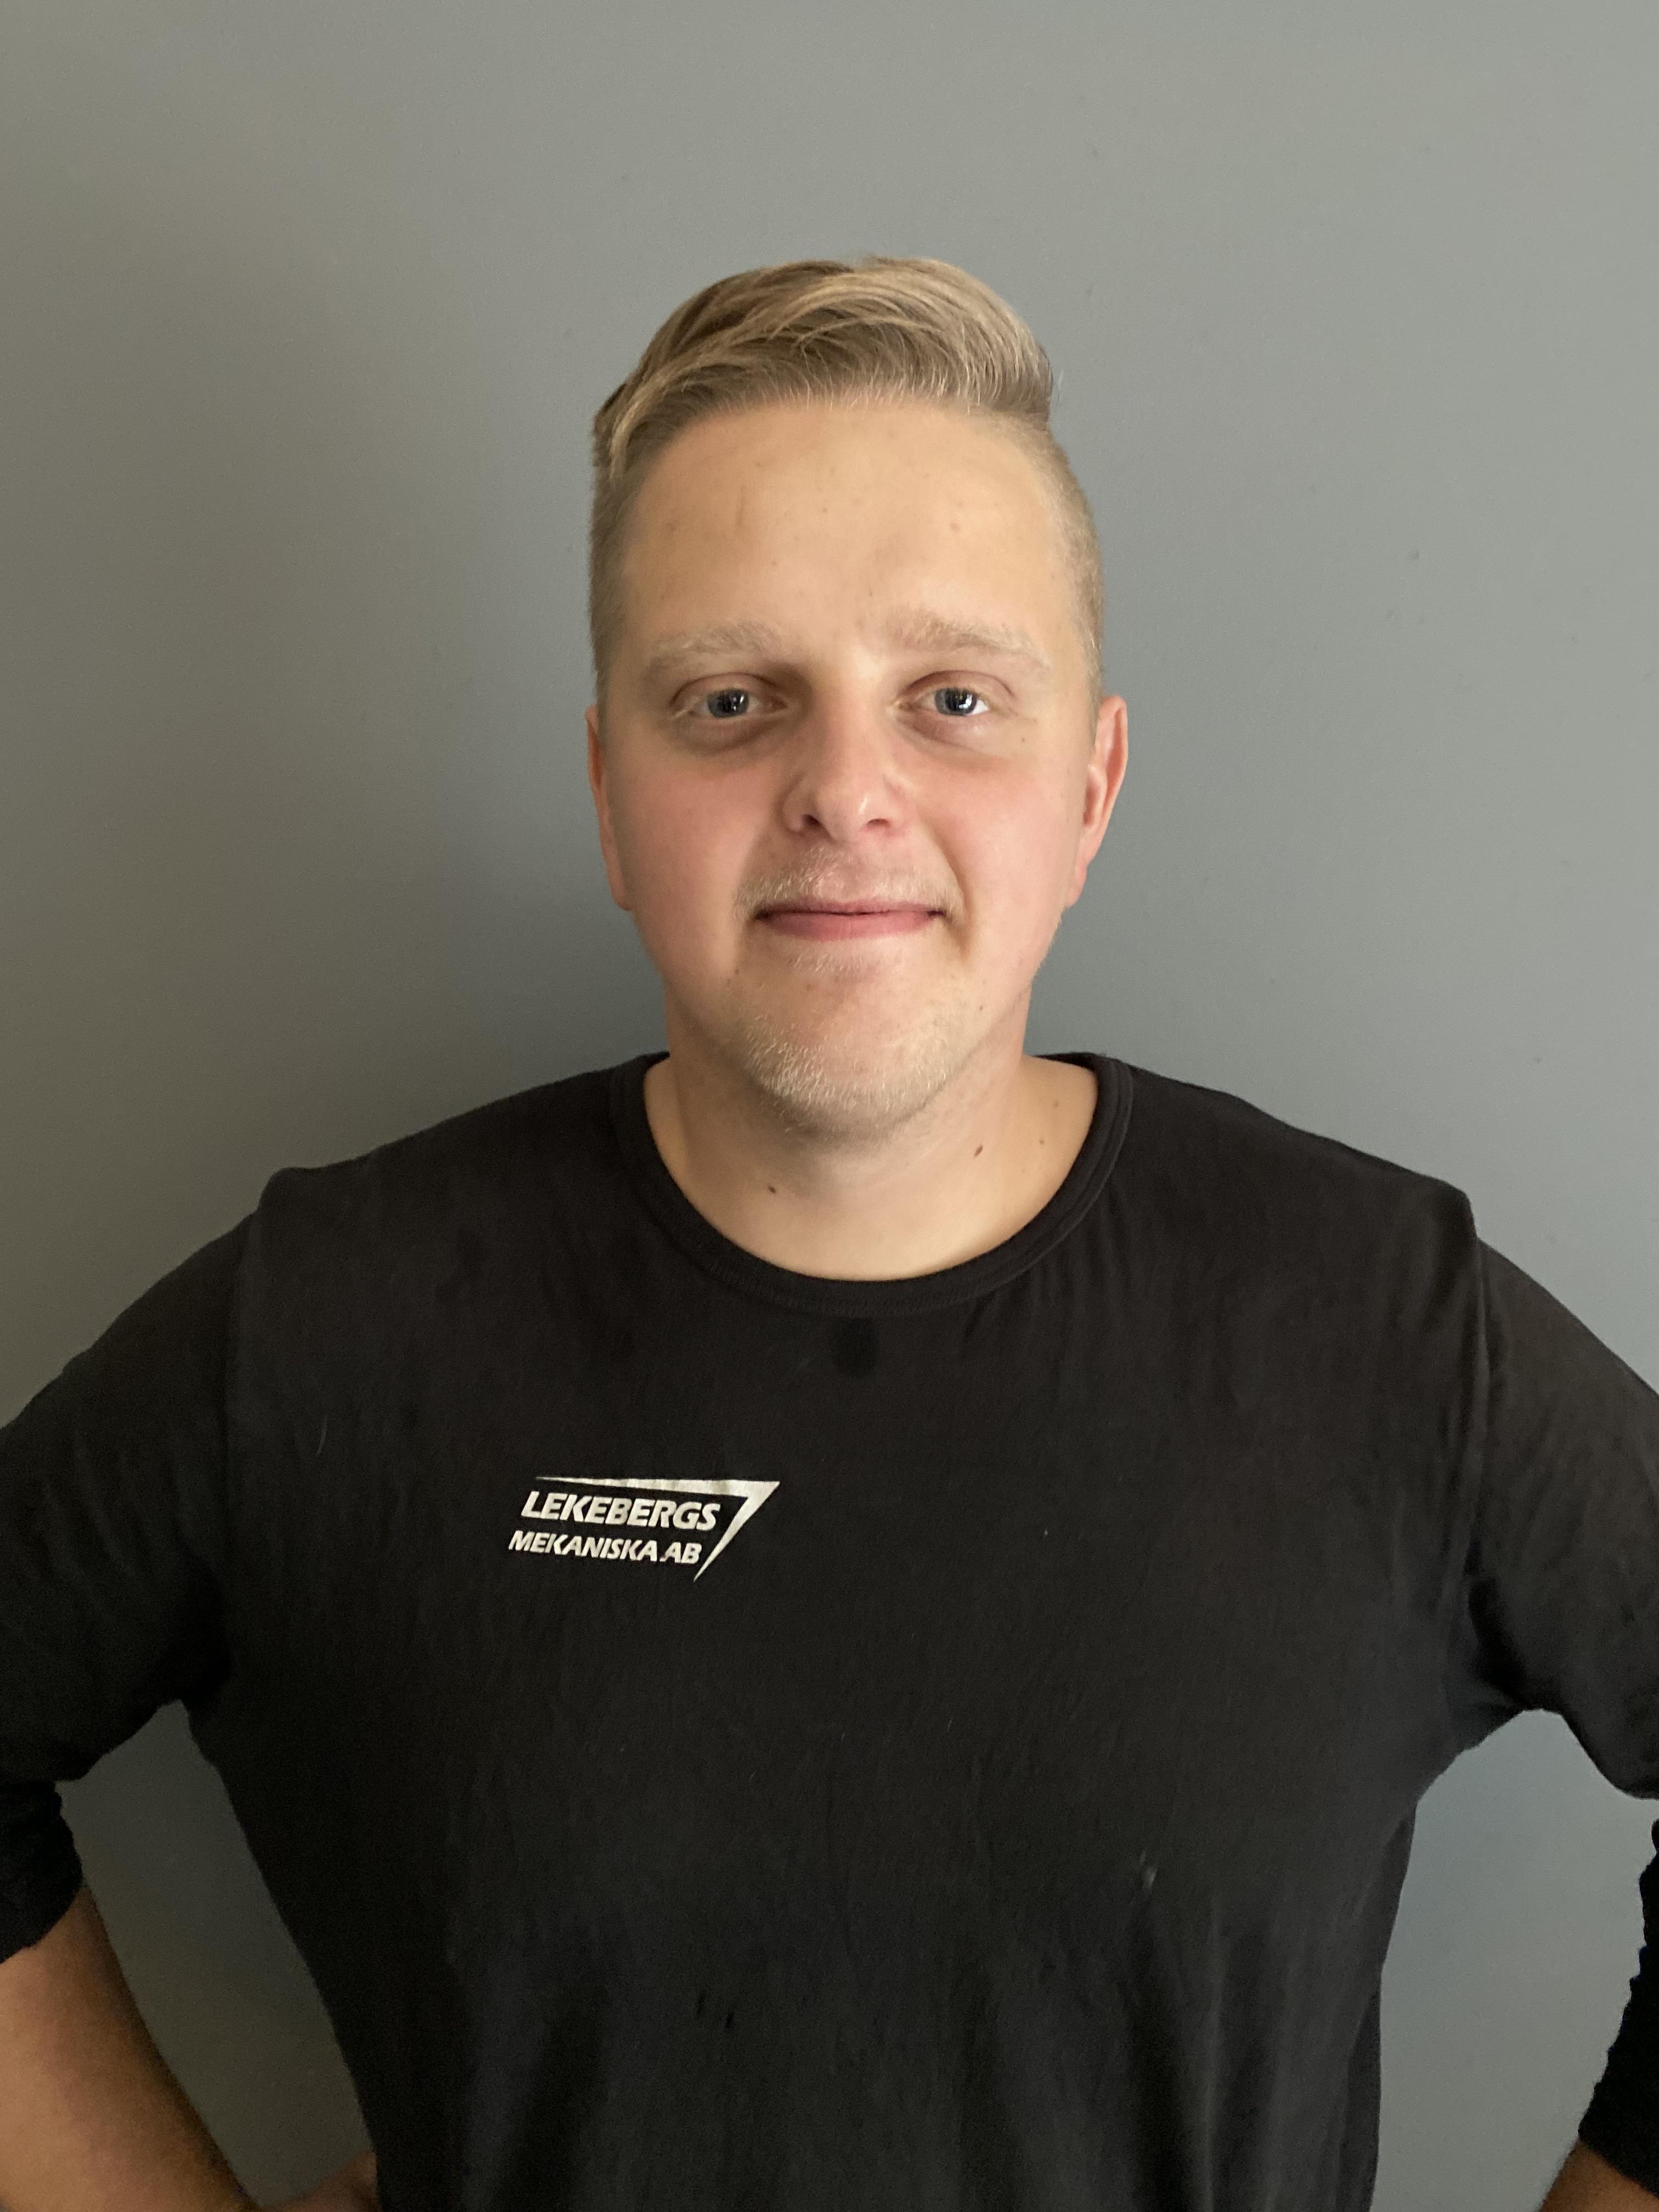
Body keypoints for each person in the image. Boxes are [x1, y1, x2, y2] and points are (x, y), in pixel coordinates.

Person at [0, 256, 1655, 2212]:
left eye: (953, 700)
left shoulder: (1385, 1331)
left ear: (1091, 787)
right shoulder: (330, 1326)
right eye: (731, 701)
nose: (845, 794)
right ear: (612, 796)